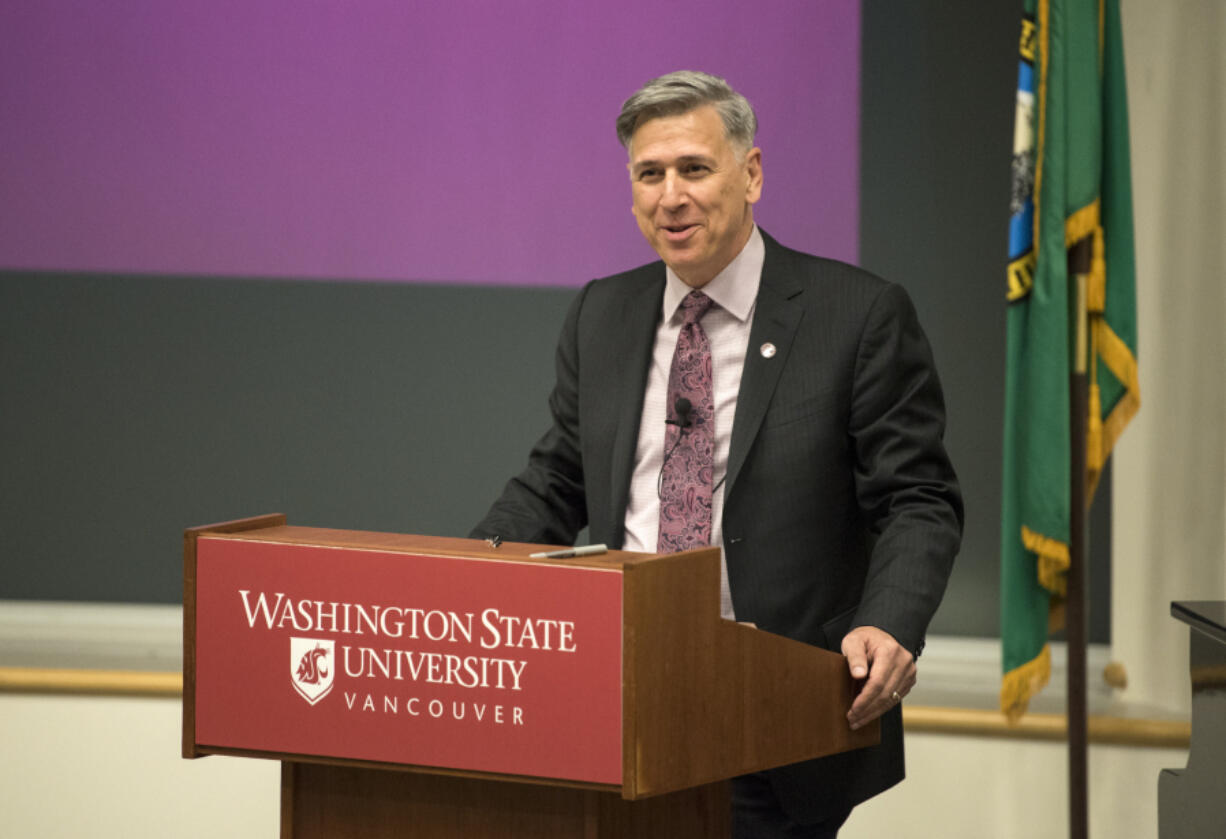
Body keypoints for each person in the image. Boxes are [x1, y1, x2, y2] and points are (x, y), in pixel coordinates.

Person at [471, 70, 963, 838]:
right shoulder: (604, 311)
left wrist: (892, 621)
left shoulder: (857, 315)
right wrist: (468, 574)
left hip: (774, 721)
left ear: (751, 173)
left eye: (694, 169)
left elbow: (917, 499)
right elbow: (558, 478)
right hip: (616, 703)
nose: (672, 196)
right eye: (650, 174)